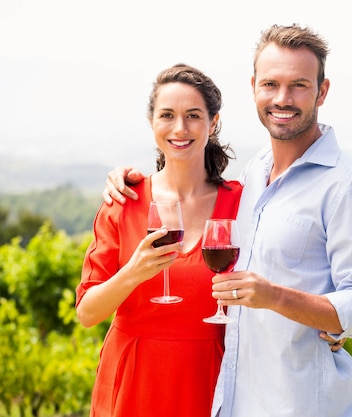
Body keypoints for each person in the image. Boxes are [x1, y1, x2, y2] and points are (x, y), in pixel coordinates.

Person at [103, 24, 352, 417]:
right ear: (254, 86)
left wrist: (280, 299)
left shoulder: (349, 188)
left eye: (299, 85)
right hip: (238, 402)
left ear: (322, 91)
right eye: (271, 84)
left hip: (307, 405)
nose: (282, 99)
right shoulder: (256, 173)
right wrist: (130, 177)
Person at [76, 63, 243, 417]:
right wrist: (134, 272)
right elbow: (88, 312)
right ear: (153, 123)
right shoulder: (124, 201)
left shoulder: (240, 202)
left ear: (213, 123)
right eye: (167, 115)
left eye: (193, 115)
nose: (180, 128)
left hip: (209, 381)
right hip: (132, 382)